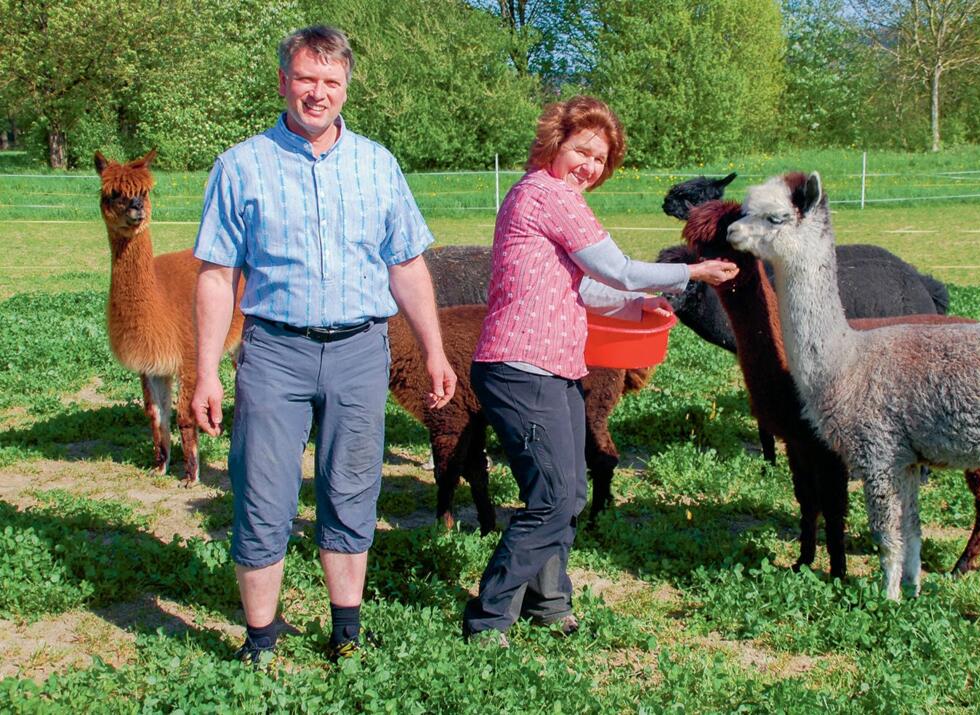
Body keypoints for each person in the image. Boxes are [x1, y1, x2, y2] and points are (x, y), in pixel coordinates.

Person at [191, 25, 456, 665]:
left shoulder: (378, 165)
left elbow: (407, 265)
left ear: (346, 87)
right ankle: (260, 642)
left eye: (330, 82)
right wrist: (204, 371)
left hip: (360, 350)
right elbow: (217, 275)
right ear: (283, 81)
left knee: (353, 486)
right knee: (263, 492)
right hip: (274, 353)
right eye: (306, 79)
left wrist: (435, 349)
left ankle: (346, 632)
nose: (317, 93)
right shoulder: (240, 167)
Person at [463, 95, 738, 645]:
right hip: (522, 366)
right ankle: (489, 617)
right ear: (554, 144)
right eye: (581, 151)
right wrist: (691, 272)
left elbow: (587, 283)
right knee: (553, 498)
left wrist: (639, 307)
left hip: (554, 365)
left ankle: (549, 603)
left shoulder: (547, 197)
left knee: (569, 492)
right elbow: (614, 267)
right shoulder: (546, 193)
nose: (588, 166)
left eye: (600, 159)